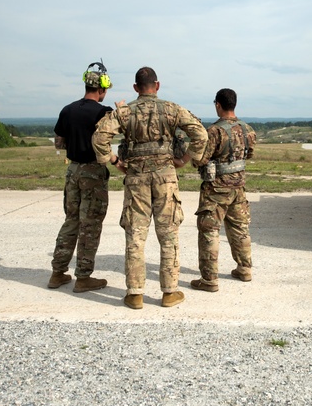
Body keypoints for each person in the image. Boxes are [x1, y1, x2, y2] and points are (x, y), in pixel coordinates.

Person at [92, 66, 207, 310]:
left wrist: (115, 162)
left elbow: (99, 138)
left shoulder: (124, 112)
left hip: (136, 179)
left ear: (136, 88)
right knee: (168, 235)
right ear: (157, 86)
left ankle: (135, 294)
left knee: (135, 236)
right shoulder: (172, 108)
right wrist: (184, 160)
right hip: (166, 177)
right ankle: (169, 292)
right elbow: (201, 135)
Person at [47, 62, 115, 294]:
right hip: (93, 171)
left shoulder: (67, 110)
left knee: (71, 220)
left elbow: (59, 142)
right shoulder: (102, 112)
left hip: (72, 171)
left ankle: (58, 272)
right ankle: (83, 277)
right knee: (91, 223)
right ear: (102, 89)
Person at [190, 88, 256, 292]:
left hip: (216, 189)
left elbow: (200, 159)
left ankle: (209, 279)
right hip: (239, 187)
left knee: (209, 230)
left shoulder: (214, 131)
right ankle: (244, 269)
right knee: (240, 228)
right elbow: (249, 154)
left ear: (218, 104)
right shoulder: (248, 129)